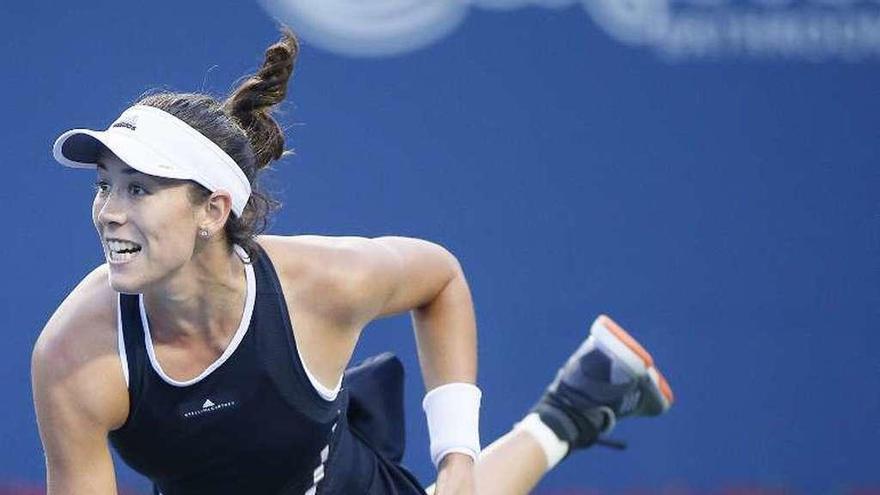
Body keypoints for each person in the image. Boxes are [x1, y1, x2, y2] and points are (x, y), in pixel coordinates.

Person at [31, 29, 674, 495]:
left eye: (138, 188)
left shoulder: (321, 286)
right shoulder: (74, 356)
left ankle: (575, 405)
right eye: (103, 185)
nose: (108, 211)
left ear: (213, 210)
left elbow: (440, 278)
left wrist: (456, 458)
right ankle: (585, 396)